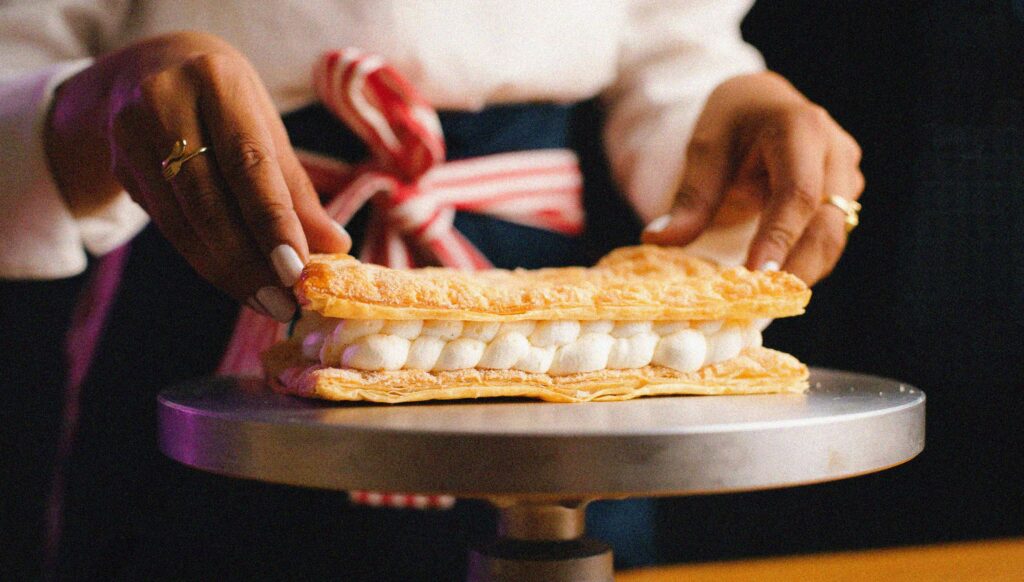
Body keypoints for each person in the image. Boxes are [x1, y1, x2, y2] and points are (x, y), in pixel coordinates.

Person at [0, 1, 863, 579]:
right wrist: (98, 105)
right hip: (227, 249)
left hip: (556, 354)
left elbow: (666, 44)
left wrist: (731, 115)